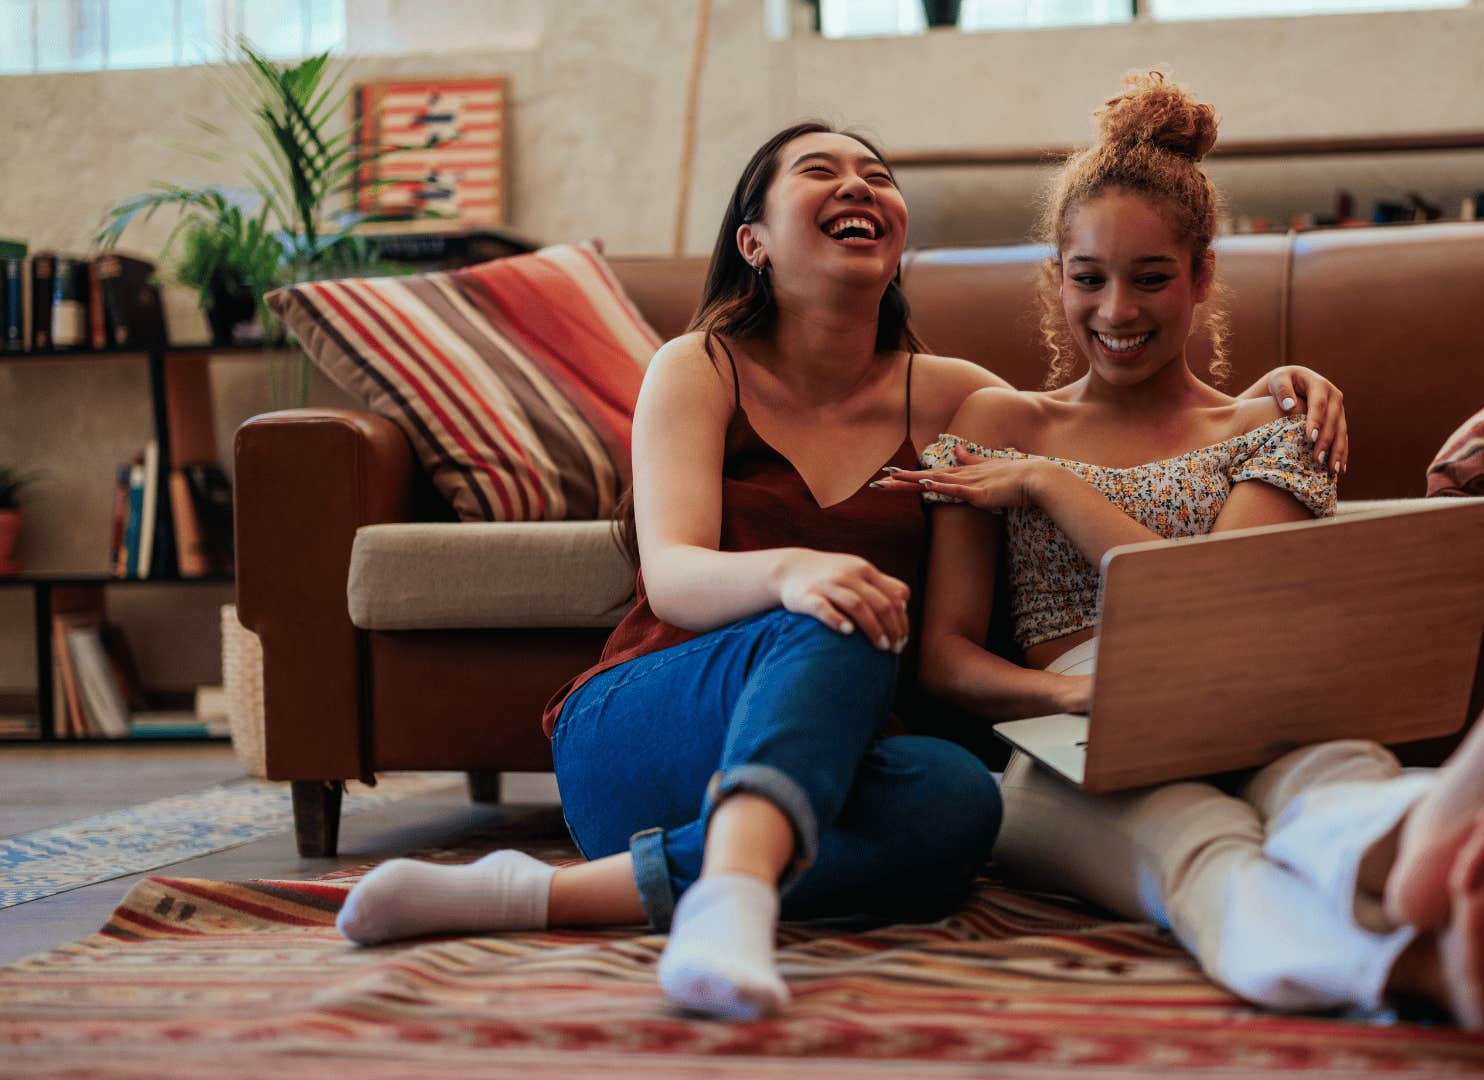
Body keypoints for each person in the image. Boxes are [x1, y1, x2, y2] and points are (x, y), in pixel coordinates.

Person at [329, 117, 1355, 1021]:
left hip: (835, 761)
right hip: (653, 724)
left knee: (959, 807)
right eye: (820, 171)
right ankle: (729, 893)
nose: (859, 183)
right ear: (755, 241)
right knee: (841, 615)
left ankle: (529, 893)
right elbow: (676, 573)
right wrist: (790, 578)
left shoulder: (961, 399)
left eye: (876, 173)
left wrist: (1269, 394)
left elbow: (1104, 413)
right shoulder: (699, 366)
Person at [881, 72, 1484, 1028]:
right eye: (1087, 277)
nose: (1116, 311)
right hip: (1076, 739)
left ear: (1203, 276)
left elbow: (1202, 603)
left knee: (1328, 779)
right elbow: (946, 660)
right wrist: (1071, 693)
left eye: (1150, 277)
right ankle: (1424, 963)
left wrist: (1054, 485)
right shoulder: (997, 422)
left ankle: (1427, 839)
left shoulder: (1274, 424)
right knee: (1201, 842)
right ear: (1056, 278)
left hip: (1257, 698)